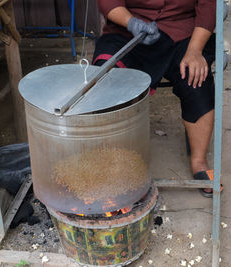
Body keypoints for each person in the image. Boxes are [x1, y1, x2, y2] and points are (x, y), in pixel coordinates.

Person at [94, 0, 222, 197]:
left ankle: (199, 161)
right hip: (128, 32)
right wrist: (131, 22)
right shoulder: (129, 25)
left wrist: (195, 50)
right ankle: (113, 158)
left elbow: (209, 6)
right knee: (105, 79)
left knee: (196, 79)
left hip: (183, 35)